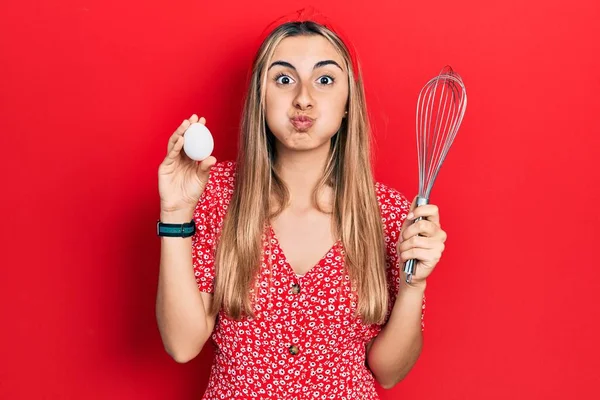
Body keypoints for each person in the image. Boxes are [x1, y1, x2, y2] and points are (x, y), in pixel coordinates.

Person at [156, 7, 447, 399]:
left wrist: (415, 286)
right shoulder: (217, 195)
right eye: (284, 79)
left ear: (348, 103)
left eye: (324, 79)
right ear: (261, 97)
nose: (303, 99)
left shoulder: (389, 213)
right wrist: (175, 213)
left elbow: (389, 373)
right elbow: (182, 344)